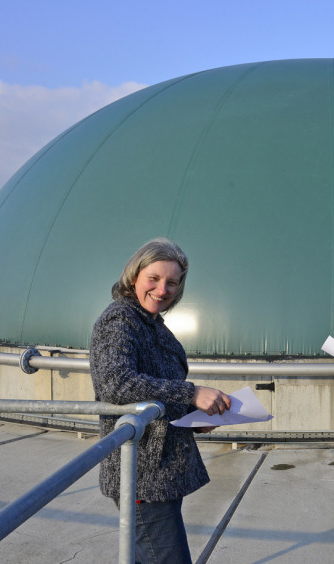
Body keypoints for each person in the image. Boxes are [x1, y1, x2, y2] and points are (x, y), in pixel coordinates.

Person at [90, 237, 231, 564]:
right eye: (153, 278)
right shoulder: (121, 319)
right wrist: (192, 393)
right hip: (142, 476)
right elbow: (116, 383)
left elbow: (158, 387)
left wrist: (194, 415)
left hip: (160, 474)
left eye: (172, 282)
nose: (162, 289)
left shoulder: (151, 324)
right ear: (134, 276)